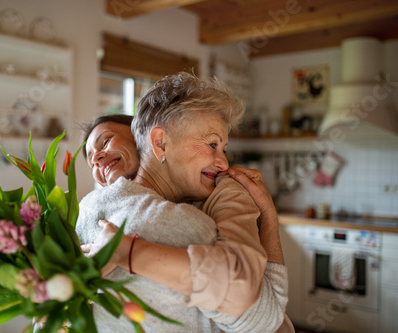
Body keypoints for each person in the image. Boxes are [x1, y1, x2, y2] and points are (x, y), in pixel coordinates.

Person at [77, 73, 293, 332]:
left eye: (222, 148)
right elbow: (269, 320)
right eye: (212, 144)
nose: (224, 163)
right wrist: (267, 218)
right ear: (160, 143)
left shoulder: (86, 209)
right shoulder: (187, 227)